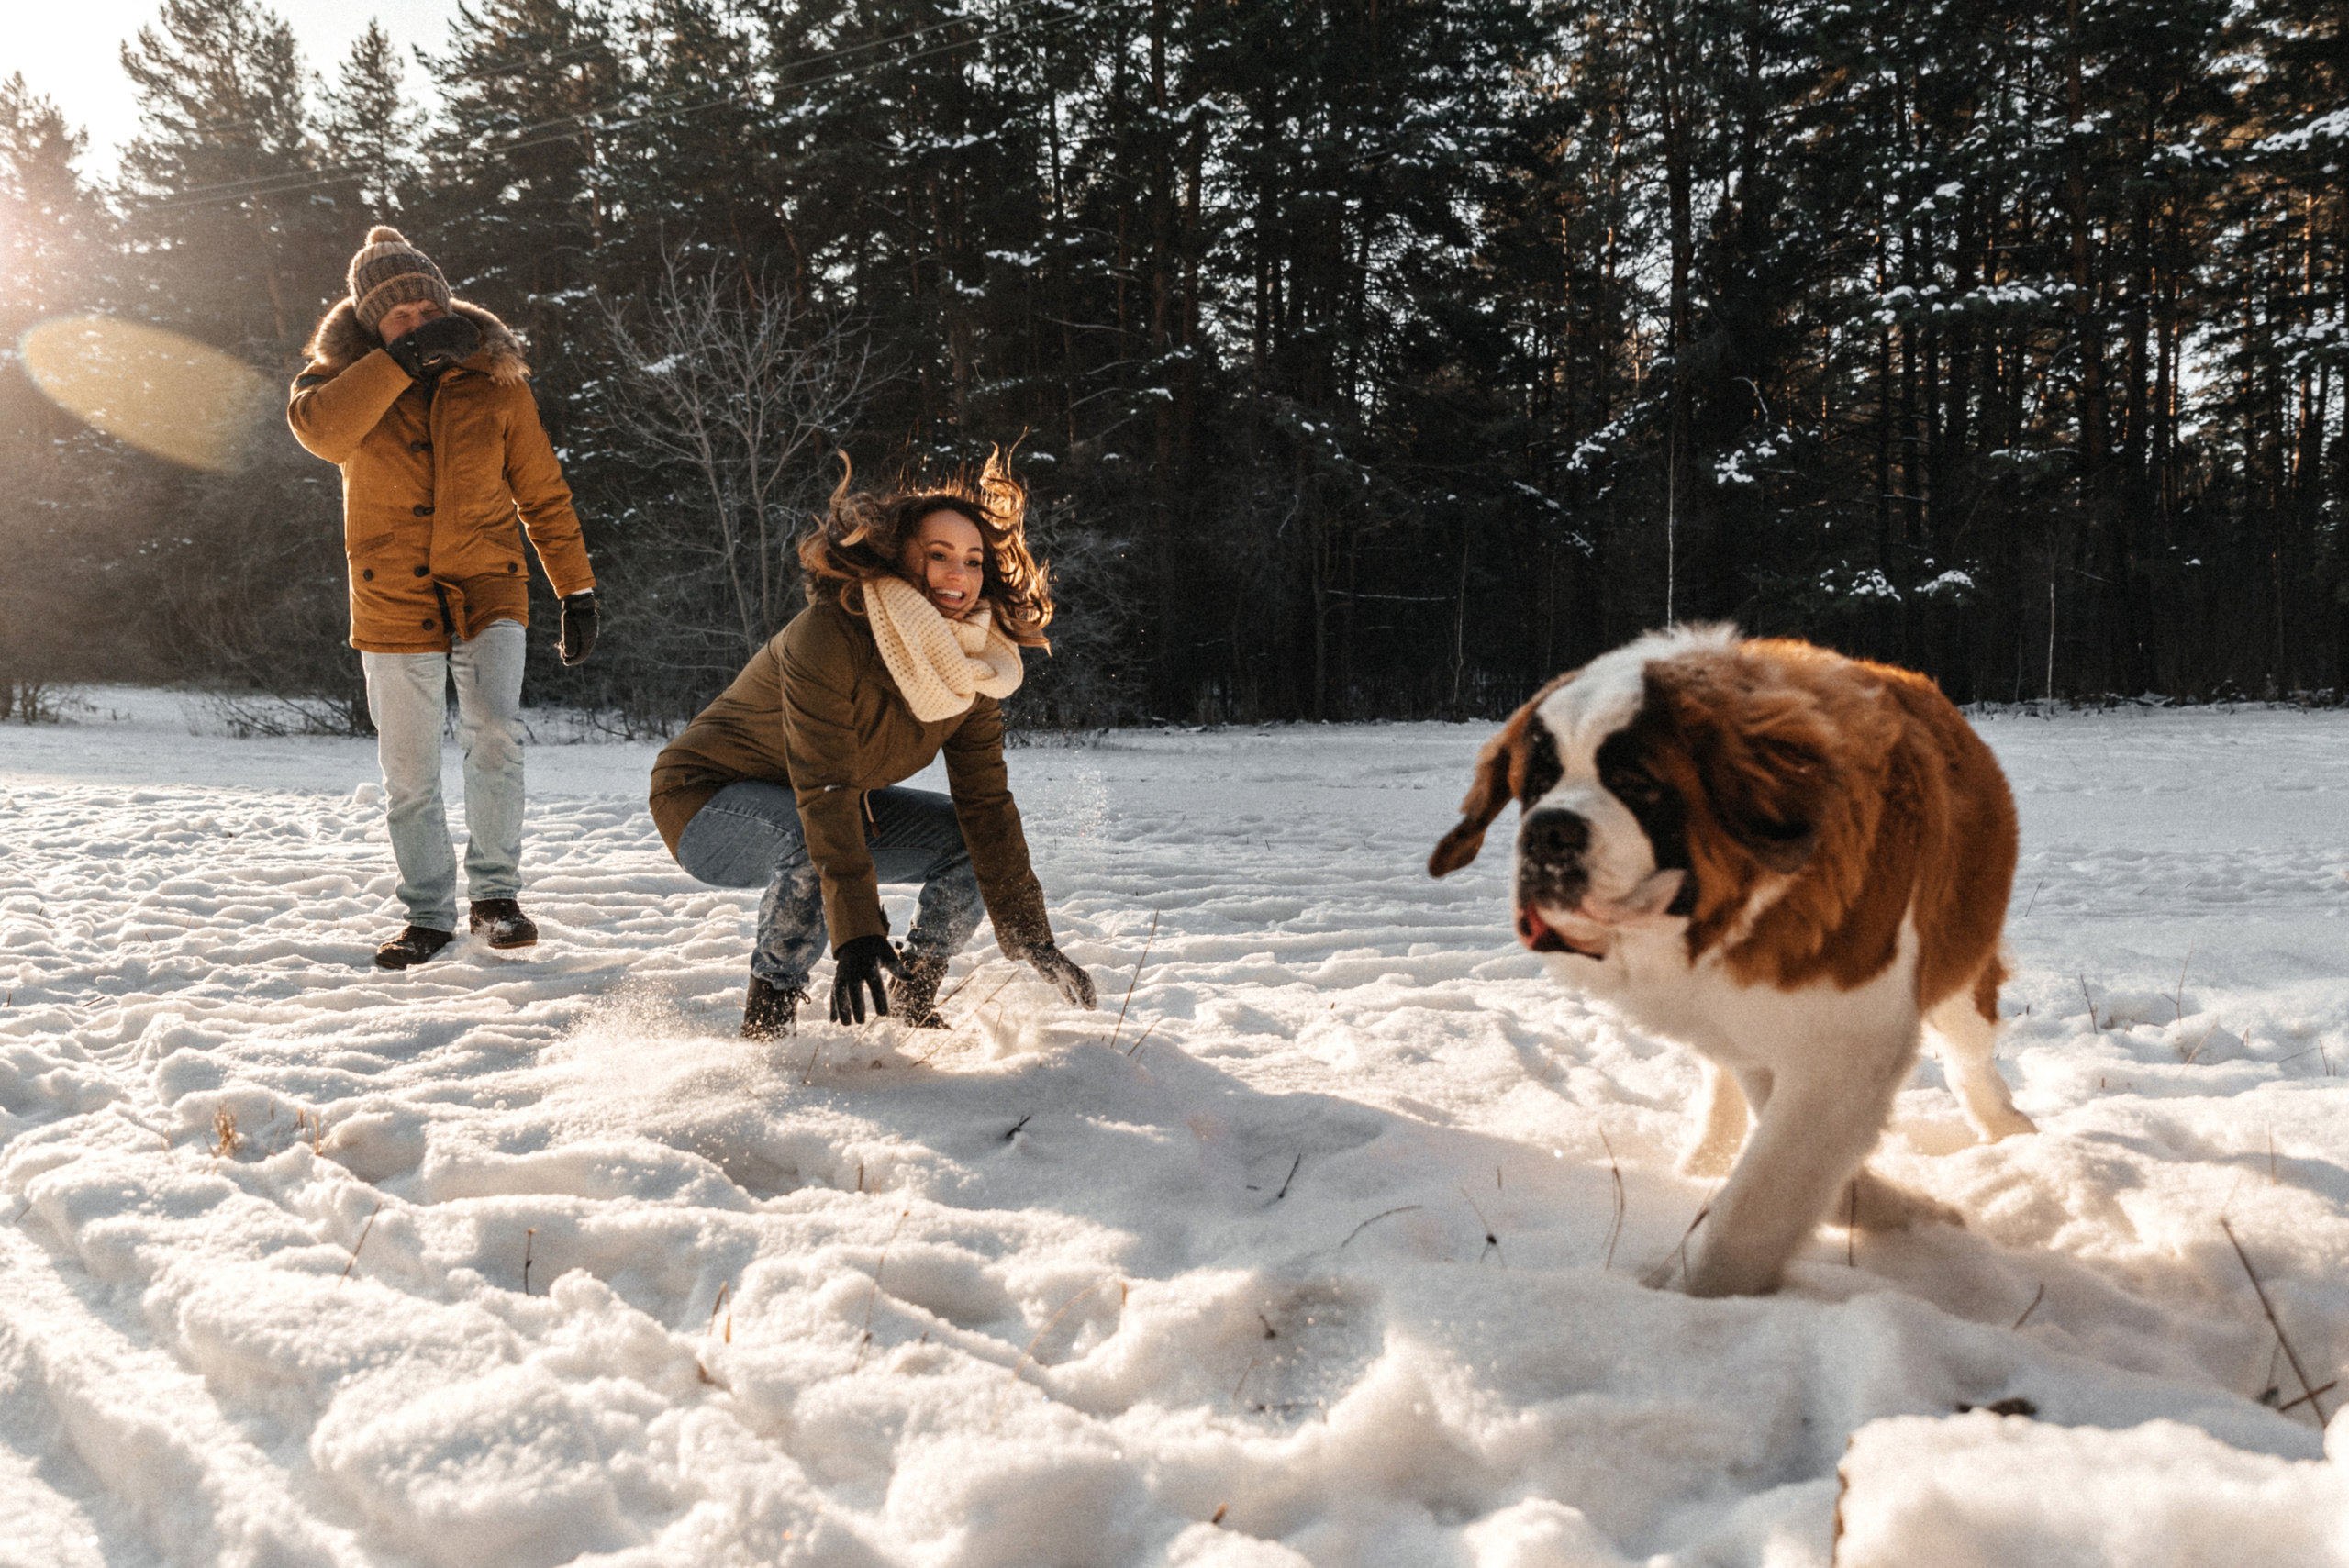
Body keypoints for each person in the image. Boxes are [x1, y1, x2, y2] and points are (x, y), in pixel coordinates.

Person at [649, 455, 1097, 1037]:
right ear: (899, 557)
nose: (957, 575)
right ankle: (767, 1022)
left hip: (831, 810)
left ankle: (914, 996)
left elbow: (987, 808)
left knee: (965, 840)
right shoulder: (830, 633)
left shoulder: (971, 670)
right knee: (812, 841)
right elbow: (824, 786)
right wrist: (857, 931)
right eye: (938, 555)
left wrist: (1032, 937)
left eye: (972, 560)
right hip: (705, 805)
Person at [288, 227, 599, 971]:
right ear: (372, 323)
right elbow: (321, 433)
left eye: (430, 308)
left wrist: (576, 589)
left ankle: (495, 899)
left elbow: (543, 492)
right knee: (409, 771)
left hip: (490, 583)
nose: (420, 323)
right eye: (400, 315)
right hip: (390, 596)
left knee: (494, 731)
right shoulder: (338, 383)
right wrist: (393, 366)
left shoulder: (495, 379)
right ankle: (426, 915)